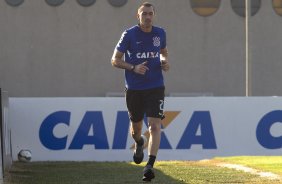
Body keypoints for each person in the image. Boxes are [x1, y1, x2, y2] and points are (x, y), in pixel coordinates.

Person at [111, 2, 169, 182]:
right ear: (138, 16)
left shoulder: (160, 33)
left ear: (154, 15)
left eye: (150, 13)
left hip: (156, 86)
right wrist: (133, 67)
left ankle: (150, 165)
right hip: (135, 89)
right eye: (144, 14)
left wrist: (164, 61)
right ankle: (139, 143)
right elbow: (114, 60)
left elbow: (163, 52)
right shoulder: (129, 34)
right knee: (136, 129)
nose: (148, 17)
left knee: (154, 126)